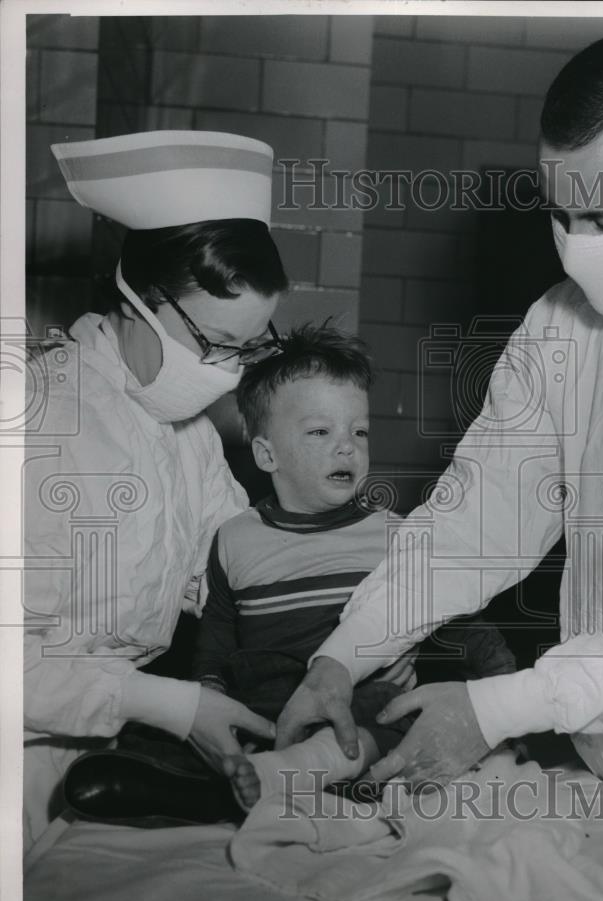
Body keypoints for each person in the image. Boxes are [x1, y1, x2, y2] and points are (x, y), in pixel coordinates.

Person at [273, 29, 603, 901]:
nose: (576, 250)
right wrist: (343, 654)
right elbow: (474, 524)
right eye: (561, 214)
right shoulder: (559, 325)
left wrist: (495, 708)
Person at [63, 325, 519, 819]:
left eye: (358, 431)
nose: (347, 447)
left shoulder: (395, 534)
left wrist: (500, 698)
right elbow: (216, 640)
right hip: (266, 706)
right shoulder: (235, 538)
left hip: (364, 711)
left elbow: (459, 619)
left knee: (396, 718)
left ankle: (287, 776)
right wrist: (210, 691)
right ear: (266, 454)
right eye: (321, 432)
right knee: (150, 740)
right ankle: (239, 778)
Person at [23, 130, 290, 850]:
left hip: (100, 762)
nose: (231, 372)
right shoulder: (38, 417)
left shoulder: (189, 435)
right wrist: (169, 706)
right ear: (139, 299)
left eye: (251, 346)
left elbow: (240, 564)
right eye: (214, 343)